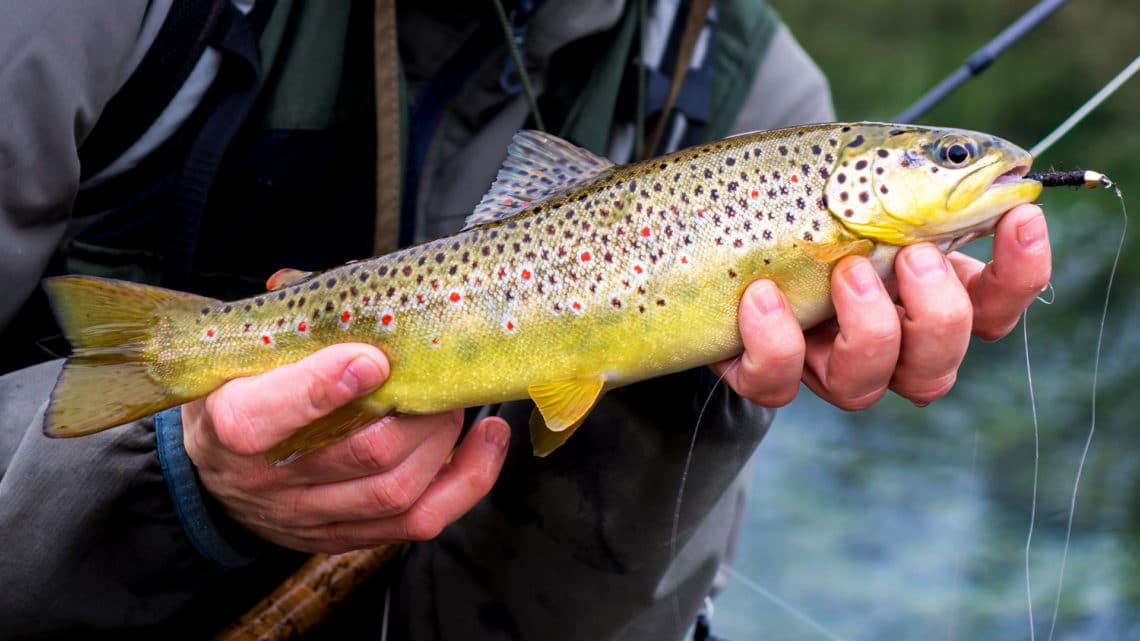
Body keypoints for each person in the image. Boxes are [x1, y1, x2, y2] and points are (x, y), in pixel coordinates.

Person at [0, 1, 1051, 640]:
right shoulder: (91, 16)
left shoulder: (750, 91)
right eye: (949, 158)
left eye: (948, 161)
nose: (971, 167)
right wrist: (172, 477)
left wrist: (691, 408)